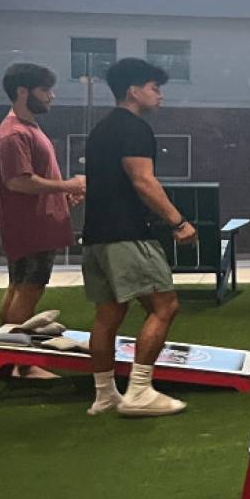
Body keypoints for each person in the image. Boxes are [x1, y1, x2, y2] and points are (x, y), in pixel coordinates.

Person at [81, 58, 197, 417]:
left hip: (96, 238)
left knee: (108, 316)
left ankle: (104, 395)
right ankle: (140, 392)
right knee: (164, 307)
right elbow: (143, 181)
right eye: (154, 88)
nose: (159, 95)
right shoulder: (135, 129)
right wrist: (179, 222)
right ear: (134, 91)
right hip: (127, 235)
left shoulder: (101, 130)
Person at [0, 63, 86, 378]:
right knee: (28, 291)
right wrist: (68, 186)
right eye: (44, 89)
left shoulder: (24, 128)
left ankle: (7, 360)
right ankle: (22, 364)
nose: (51, 95)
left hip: (32, 224)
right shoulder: (15, 133)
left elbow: (33, 178)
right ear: (23, 92)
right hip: (32, 226)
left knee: (19, 288)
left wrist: (62, 193)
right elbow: (18, 181)